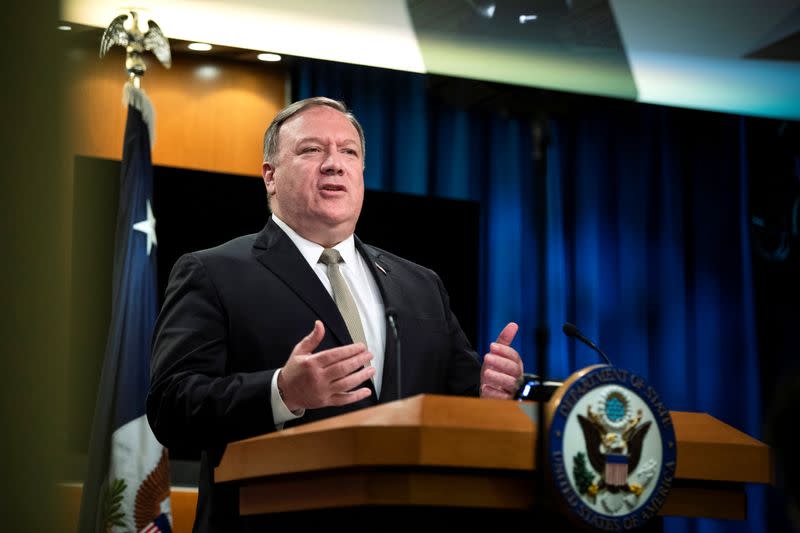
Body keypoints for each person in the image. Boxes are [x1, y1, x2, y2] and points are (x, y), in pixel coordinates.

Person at [147, 96, 524, 532]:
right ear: (270, 176)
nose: (334, 163)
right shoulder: (213, 272)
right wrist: (281, 391)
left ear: (362, 172)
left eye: (349, 152)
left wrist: (488, 397)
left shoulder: (421, 285)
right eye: (311, 150)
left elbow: (456, 402)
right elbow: (171, 408)